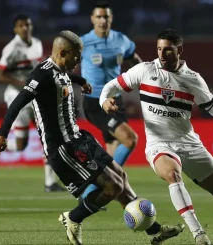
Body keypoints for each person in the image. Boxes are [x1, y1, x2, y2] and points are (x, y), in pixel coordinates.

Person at [0, 30, 184, 245]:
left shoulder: (59, 68)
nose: (79, 60)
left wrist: (80, 80)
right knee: (112, 188)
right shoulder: (40, 75)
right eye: (76, 56)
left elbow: (65, 76)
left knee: (121, 178)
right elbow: (18, 102)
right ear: (63, 52)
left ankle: (154, 231)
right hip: (64, 147)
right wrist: (2, 133)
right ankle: (73, 218)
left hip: (79, 137)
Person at [99, 28, 213, 245]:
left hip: (188, 142)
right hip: (159, 144)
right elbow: (112, 86)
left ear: (179, 50)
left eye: (168, 50)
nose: (162, 55)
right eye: (159, 49)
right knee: (172, 175)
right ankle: (199, 234)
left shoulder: (193, 79)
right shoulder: (145, 70)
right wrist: (104, 100)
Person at [0, 14, 64, 192]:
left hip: (36, 96)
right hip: (17, 97)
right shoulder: (11, 48)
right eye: (21, 26)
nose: (25, 28)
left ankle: (49, 182)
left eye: (27, 25)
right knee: (21, 145)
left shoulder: (36, 43)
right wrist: (24, 85)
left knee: (49, 135)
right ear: (15, 29)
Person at [79, 1, 143, 200]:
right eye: (98, 17)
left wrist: (146, 80)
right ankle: (95, 188)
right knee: (130, 139)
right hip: (95, 102)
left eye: (105, 16)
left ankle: (89, 195)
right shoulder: (82, 43)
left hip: (116, 101)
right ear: (92, 19)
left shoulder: (121, 40)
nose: (102, 20)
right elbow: (63, 65)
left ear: (111, 18)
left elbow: (135, 61)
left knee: (113, 157)